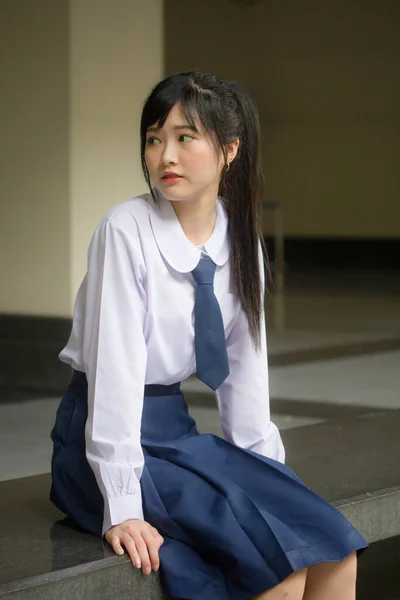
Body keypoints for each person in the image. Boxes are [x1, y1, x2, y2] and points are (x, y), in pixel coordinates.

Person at [50, 71, 367, 600]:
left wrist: (267, 478)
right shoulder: (126, 230)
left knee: (335, 550)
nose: (165, 155)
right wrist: (123, 507)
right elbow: (115, 375)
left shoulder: (239, 239)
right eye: (154, 138)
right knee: (279, 570)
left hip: (176, 436)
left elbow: (245, 377)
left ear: (230, 150)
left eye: (184, 137)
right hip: (102, 440)